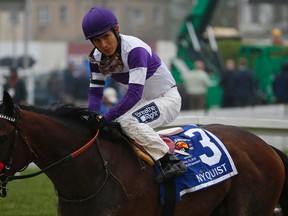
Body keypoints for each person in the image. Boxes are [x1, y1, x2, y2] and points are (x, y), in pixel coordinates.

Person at [82, 7, 187, 183]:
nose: (103, 45)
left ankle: (170, 161)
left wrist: (105, 117)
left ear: (116, 30)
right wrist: (93, 116)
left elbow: (134, 93)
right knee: (114, 125)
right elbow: (95, 90)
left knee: (126, 122)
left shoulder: (134, 50)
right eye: (97, 40)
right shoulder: (96, 57)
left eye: (106, 37)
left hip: (167, 99)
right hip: (143, 101)